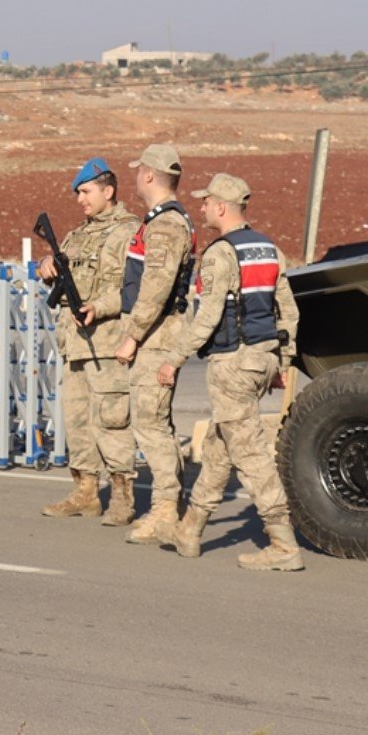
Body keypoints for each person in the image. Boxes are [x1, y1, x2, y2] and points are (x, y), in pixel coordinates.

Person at [155, 173, 304, 571]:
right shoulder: (268, 249)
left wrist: (174, 358)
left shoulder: (221, 254)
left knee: (251, 453)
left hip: (233, 363)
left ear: (221, 207)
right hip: (262, 358)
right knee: (221, 447)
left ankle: (283, 544)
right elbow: (288, 311)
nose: (201, 206)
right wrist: (282, 361)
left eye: (206, 202)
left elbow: (207, 318)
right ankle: (190, 530)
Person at [81, 143, 196, 541]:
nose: (134, 178)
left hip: (156, 338)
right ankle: (167, 507)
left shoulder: (165, 225)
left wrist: (132, 337)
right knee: (155, 424)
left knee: (151, 426)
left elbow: (156, 290)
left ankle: (165, 512)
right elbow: (134, 291)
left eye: (137, 172)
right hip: (154, 334)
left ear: (148, 175)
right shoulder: (159, 221)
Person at [37, 157, 140, 520]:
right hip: (76, 345)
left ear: (107, 190)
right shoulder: (78, 235)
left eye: (85, 191)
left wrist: (100, 306)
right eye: (78, 193)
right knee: (77, 422)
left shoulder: (129, 231)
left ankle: (123, 497)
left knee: (111, 422)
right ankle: (85, 492)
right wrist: (46, 267)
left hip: (108, 344)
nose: (80, 199)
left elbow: (134, 288)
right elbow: (67, 273)